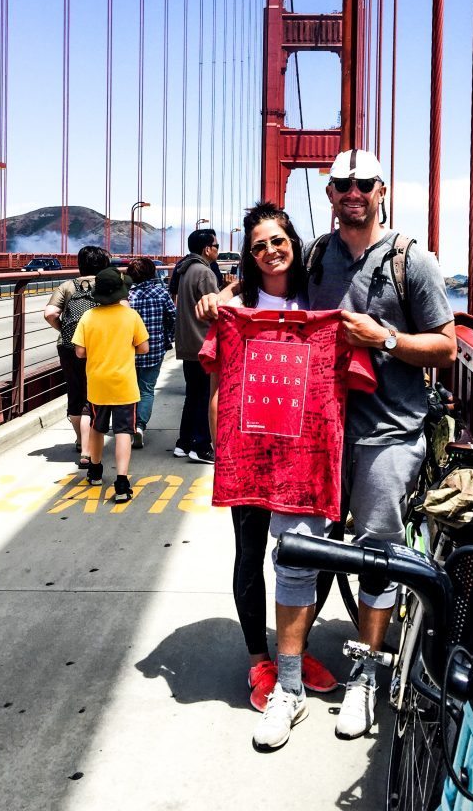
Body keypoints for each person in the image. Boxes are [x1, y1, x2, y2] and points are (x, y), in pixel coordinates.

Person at [197, 149, 457, 741]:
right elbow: (267, 278)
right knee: (294, 549)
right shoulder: (317, 255)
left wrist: (384, 338)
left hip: (387, 430)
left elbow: (446, 347)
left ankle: (365, 678)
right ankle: (287, 688)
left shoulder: (411, 262)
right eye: (341, 185)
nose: (353, 192)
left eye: (363, 183)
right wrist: (224, 296)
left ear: (381, 189)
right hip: (309, 430)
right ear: (331, 194)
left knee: (379, 549)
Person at [198, 201, 340, 750]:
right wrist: (223, 449)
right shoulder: (236, 307)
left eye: (277, 241)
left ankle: (294, 651)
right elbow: (216, 382)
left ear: (294, 242)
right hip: (252, 451)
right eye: (258, 246)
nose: (270, 252)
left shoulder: (320, 298)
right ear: (248, 257)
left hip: (307, 455)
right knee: (250, 550)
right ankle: (262, 663)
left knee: (315, 554)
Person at [72, 266, 149, 503]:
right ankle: (122, 483)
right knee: (124, 431)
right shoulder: (131, 316)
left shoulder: (88, 317)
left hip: (97, 383)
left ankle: (95, 471)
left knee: (97, 427)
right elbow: (143, 348)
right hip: (125, 384)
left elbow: (79, 352)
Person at [43, 244, 111, 466]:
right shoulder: (107, 285)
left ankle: (81, 441)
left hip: (69, 346)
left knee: (75, 390)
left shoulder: (67, 286)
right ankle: (90, 443)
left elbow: (50, 313)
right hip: (98, 346)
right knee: (94, 395)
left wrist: (63, 328)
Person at [173, 228, 220, 463]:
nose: (218, 251)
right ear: (206, 249)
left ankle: (184, 442)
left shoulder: (185, 269)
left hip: (186, 343)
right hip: (203, 343)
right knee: (204, 396)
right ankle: (201, 446)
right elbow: (215, 310)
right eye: (216, 246)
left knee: (193, 395)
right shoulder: (205, 272)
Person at [126, 257, 176, 449]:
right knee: (146, 389)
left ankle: (128, 426)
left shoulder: (128, 295)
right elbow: (172, 317)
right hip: (154, 349)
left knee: (129, 390)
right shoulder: (161, 292)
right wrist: (167, 339)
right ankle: (140, 426)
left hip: (130, 350)